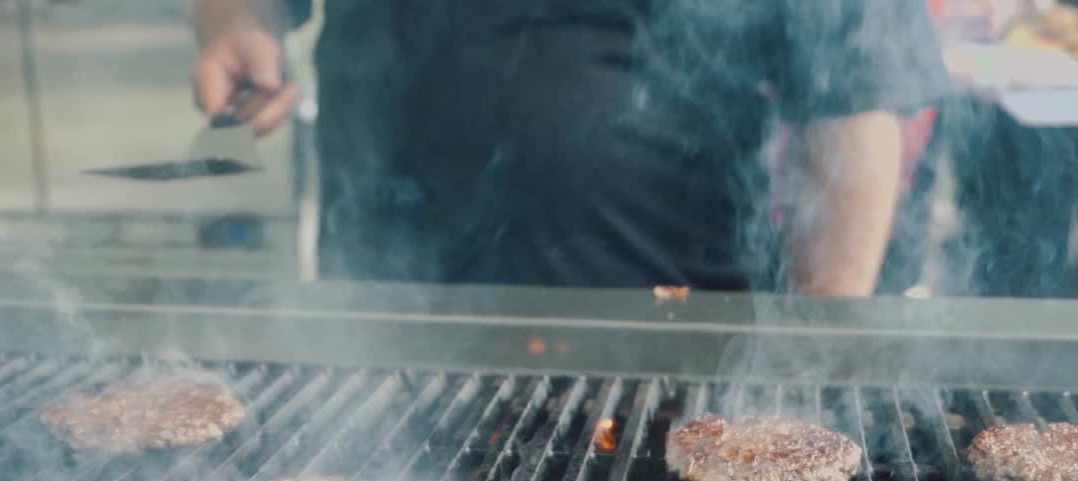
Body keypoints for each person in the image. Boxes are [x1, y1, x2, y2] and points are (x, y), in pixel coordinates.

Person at [191, 0, 949, 295]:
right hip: (387, 298)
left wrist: (804, 378)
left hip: (652, 328)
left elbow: (854, 94)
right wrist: (238, 25)